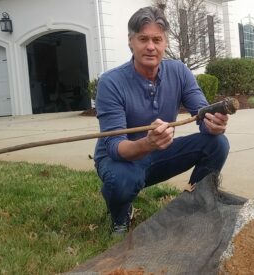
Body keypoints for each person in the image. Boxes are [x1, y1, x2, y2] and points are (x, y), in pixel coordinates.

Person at [93, 5, 230, 235]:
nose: (150, 46)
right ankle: (119, 212)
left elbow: (201, 112)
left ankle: (194, 205)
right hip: (121, 159)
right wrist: (147, 143)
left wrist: (213, 124)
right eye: (143, 39)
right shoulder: (111, 83)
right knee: (121, 181)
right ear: (130, 42)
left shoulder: (179, 72)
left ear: (165, 42)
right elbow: (116, 148)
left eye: (157, 39)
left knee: (218, 144)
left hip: (159, 152)